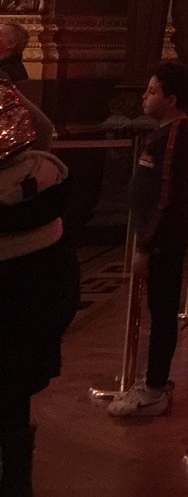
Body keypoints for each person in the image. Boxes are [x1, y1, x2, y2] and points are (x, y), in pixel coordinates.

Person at [107, 61, 188, 419]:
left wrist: (147, 246)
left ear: (171, 99)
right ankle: (151, 381)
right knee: (157, 310)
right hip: (157, 236)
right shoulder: (164, 133)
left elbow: (165, 194)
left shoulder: (177, 134)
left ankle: (155, 387)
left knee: (162, 313)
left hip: (163, 239)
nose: (144, 97)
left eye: (152, 91)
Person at [0, 82, 79, 497]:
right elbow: (44, 127)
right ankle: (18, 483)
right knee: (15, 400)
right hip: (32, 319)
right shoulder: (46, 183)